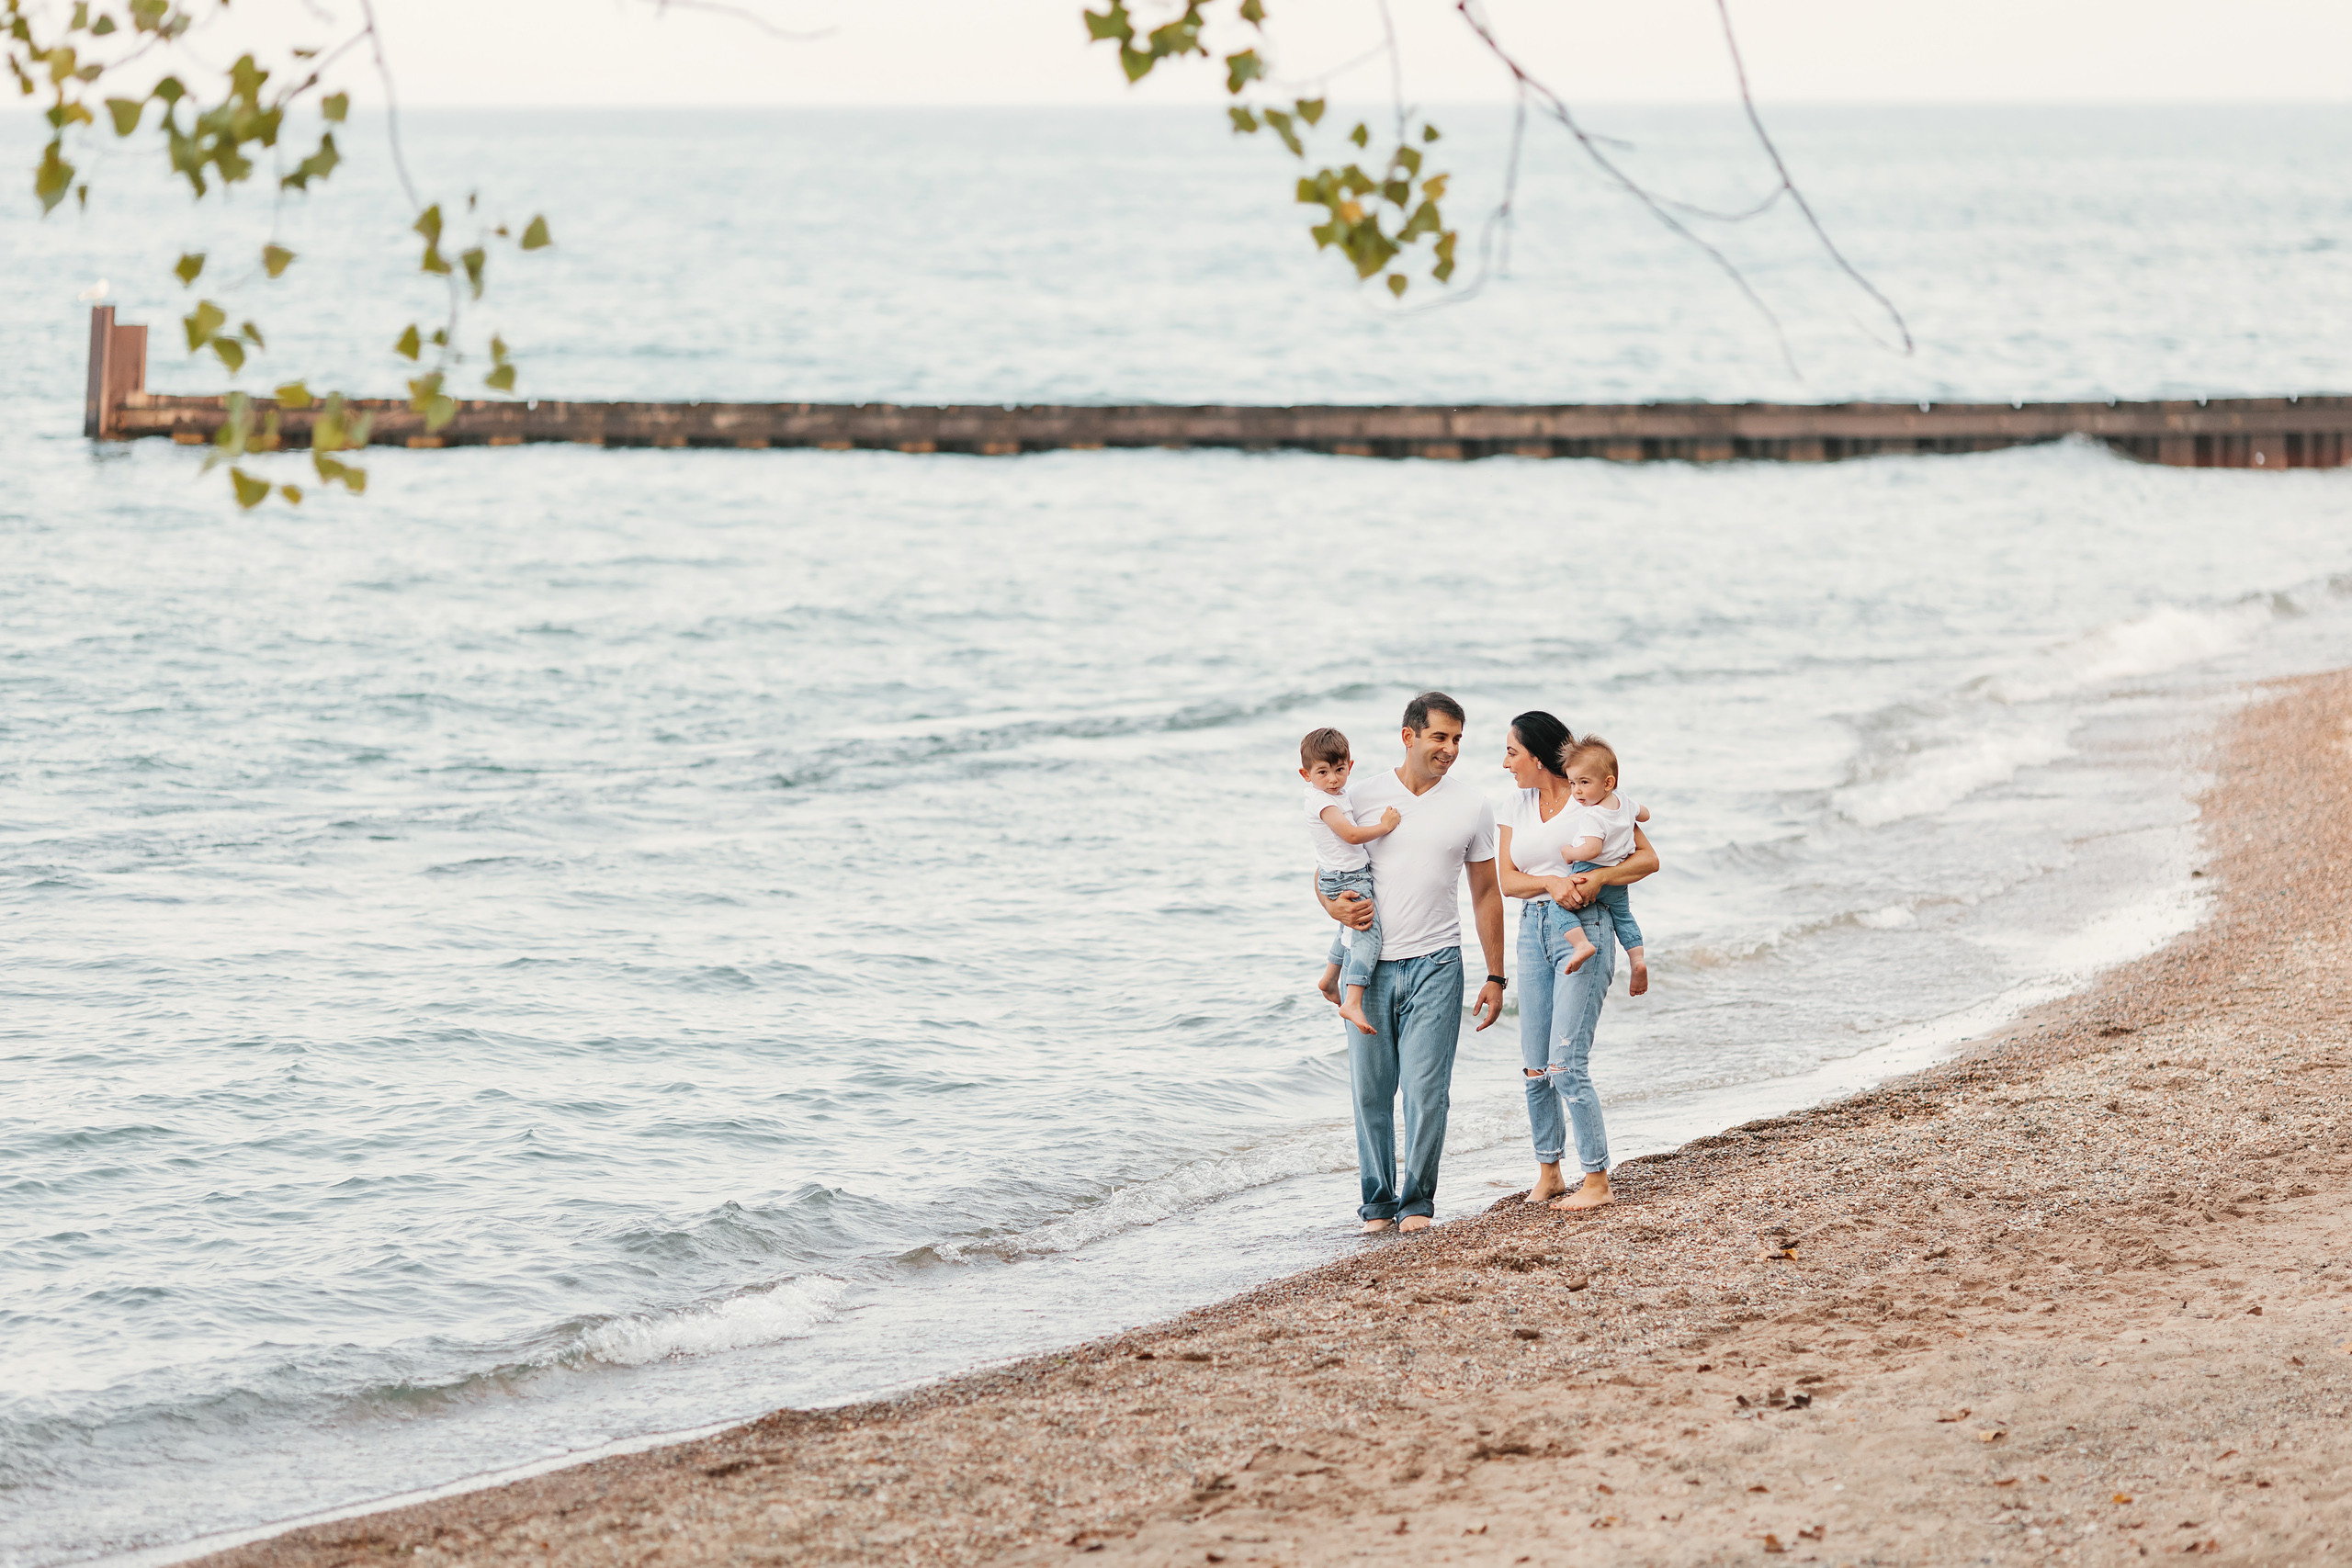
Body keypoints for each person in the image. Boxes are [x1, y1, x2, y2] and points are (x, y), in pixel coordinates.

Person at [1316, 692, 1507, 1235]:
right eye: (1440, 737)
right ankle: (1377, 1205)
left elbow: (1487, 892)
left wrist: (1495, 975)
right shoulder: (1361, 796)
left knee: (1427, 1092)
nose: (1449, 750)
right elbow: (1328, 869)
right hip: (1370, 966)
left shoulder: (1472, 803)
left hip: (1438, 964)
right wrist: (1331, 907)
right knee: (1372, 1093)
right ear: (1409, 736)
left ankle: (1417, 1203)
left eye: (1457, 740)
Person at [1494, 712, 1660, 1213]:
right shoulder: (1513, 805)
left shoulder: (1593, 800)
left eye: (1512, 752)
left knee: (1568, 1063)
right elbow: (1508, 881)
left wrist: (1597, 880)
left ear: (1538, 756)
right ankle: (1549, 1172)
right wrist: (1548, 882)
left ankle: (1597, 1178)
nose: (1506, 763)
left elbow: (1647, 860)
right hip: (1532, 931)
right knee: (1536, 1067)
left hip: (1583, 929)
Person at [1297, 727, 1402, 1036]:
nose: (1332, 779)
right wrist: (1384, 826)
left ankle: (1329, 979)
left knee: (1348, 929)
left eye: (1339, 770)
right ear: (1306, 774)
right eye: (1323, 772)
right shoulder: (1323, 803)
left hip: (1341, 874)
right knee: (1367, 936)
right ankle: (1353, 999)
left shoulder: (1334, 794)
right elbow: (1351, 834)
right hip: (1347, 878)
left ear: (1350, 767)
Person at [1555, 734, 1651, 998]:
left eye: (1584, 783)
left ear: (1608, 782)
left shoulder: (1593, 815)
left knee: (1558, 908)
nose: (1577, 791)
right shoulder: (1624, 802)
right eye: (1573, 783)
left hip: (1588, 872)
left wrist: (1569, 853)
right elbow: (1646, 814)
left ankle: (1582, 945)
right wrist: (1633, 812)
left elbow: (1592, 849)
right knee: (1624, 917)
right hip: (1618, 878)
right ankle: (1637, 960)